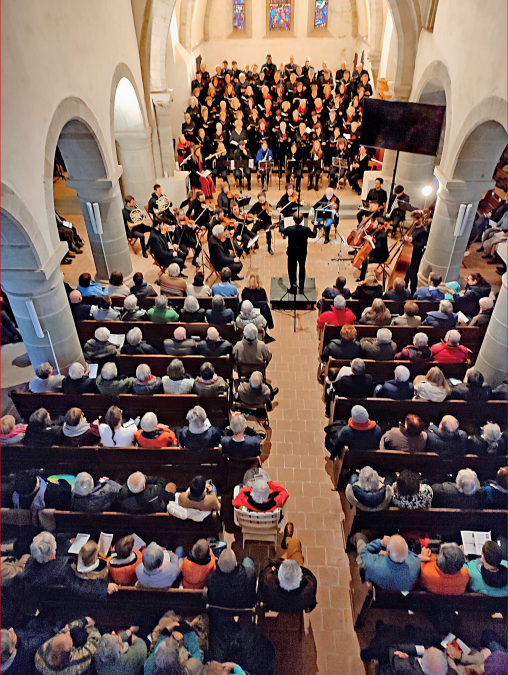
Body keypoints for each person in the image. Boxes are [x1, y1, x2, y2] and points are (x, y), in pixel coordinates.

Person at [21, 532, 118, 597]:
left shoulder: (33, 560)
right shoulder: (61, 570)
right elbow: (80, 585)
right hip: (62, 599)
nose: (56, 547)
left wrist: (68, 543)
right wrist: (104, 587)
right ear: (51, 552)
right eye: (54, 548)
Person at [351, 533, 421, 591]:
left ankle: (351, 539)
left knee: (359, 536)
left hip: (372, 574)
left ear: (388, 551)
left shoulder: (373, 564)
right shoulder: (416, 563)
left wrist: (381, 542)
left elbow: (363, 553)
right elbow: (410, 555)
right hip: (390, 594)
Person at [35, 617, 101, 675]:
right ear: (70, 653)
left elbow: (60, 635)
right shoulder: (76, 665)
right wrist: (90, 627)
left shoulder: (39, 655)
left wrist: (83, 621)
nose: (68, 633)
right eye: (68, 636)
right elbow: (94, 644)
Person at [279, 213, 317, 294]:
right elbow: (313, 235)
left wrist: (281, 221)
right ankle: (301, 287)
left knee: (291, 270)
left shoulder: (290, 229)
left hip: (292, 252)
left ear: (293, 220)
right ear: (302, 220)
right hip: (302, 252)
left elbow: (282, 230)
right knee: (302, 268)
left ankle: (293, 288)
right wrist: (315, 226)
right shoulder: (306, 229)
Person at [404, 210, 429, 295]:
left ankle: (413, 292)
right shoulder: (413, 226)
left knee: (413, 274)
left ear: (421, 219)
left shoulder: (423, 231)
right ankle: (404, 289)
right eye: (413, 219)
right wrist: (405, 236)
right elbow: (407, 233)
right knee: (406, 272)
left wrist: (412, 241)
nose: (414, 221)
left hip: (416, 255)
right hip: (408, 254)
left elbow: (421, 245)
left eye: (416, 219)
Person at [357, 218, 389, 282]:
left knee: (364, 260)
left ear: (379, 225)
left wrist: (370, 240)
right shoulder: (378, 231)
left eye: (375, 223)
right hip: (378, 252)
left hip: (381, 256)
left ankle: (362, 278)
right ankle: (364, 269)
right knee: (364, 253)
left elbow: (377, 248)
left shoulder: (382, 236)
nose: (373, 224)